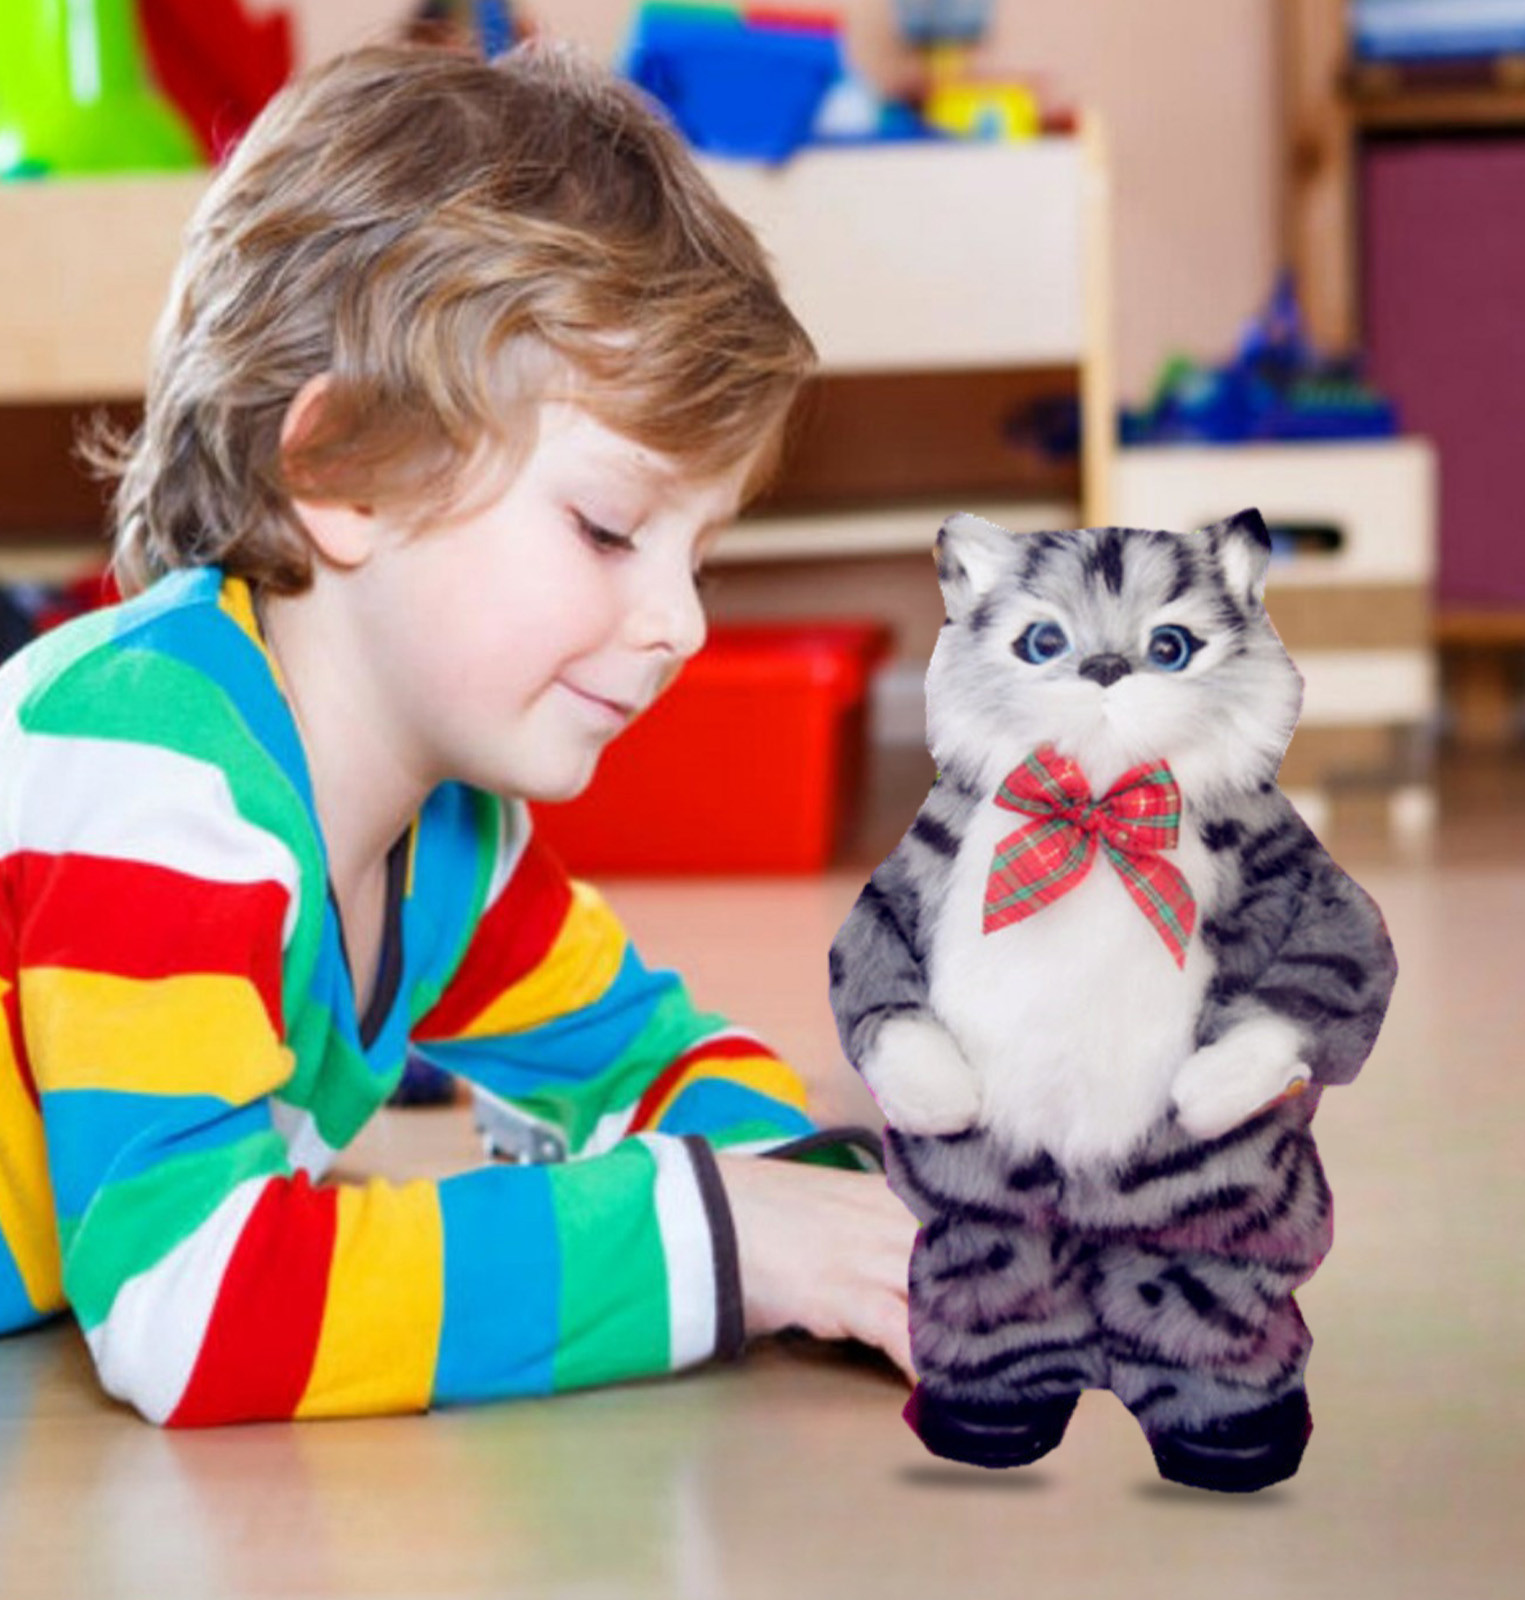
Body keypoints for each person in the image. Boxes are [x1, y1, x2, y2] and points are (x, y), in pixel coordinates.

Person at [0, 42, 916, 1424]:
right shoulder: (152, 766)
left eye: (699, 555)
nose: (682, 624)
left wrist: (830, 1210)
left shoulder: (452, 844)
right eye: (608, 528)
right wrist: (722, 1236)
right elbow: (188, 1302)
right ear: (344, 470)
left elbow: (648, 1058)